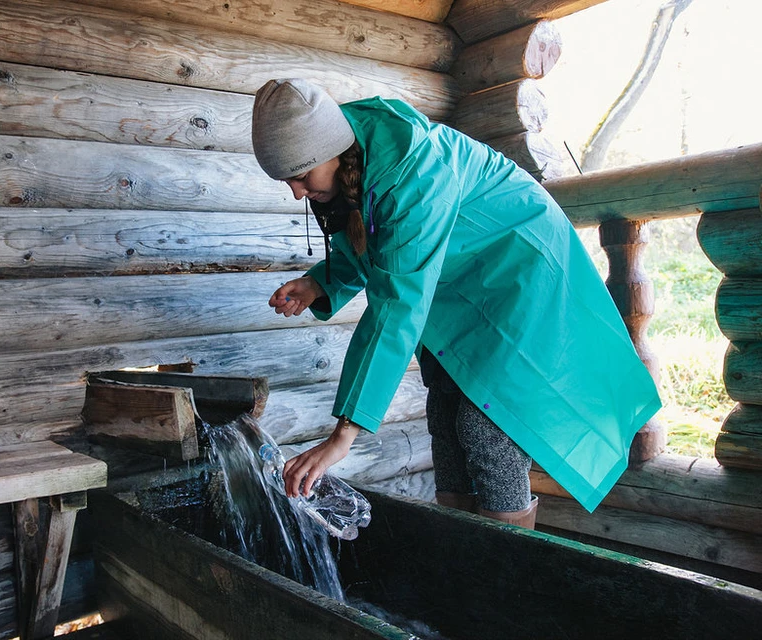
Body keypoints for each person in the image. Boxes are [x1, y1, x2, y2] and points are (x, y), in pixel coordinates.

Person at [251, 78, 661, 527]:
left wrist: (344, 434)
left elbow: (396, 306)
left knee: (486, 423)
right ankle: (462, 567)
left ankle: (506, 575)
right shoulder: (351, 159)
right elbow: (373, 239)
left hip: (522, 275)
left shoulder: (412, 171)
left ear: (332, 150)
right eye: (287, 179)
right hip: (463, 283)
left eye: (301, 176)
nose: (295, 192)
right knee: (446, 417)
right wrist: (321, 284)